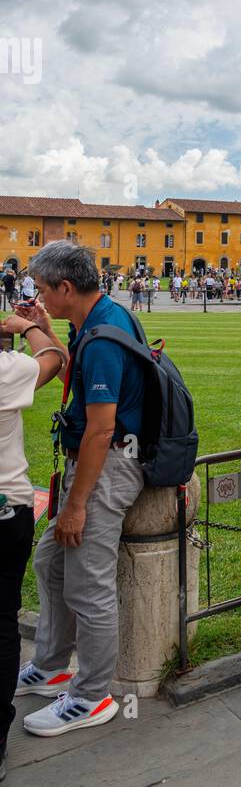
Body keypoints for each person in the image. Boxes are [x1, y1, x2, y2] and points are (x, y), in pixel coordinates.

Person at [15, 242, 148, 737]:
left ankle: (93, 696)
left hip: (108, 466)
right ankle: (51, 668)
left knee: (88, 585)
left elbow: (100, 430)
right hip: (100, 461)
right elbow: (78, 374)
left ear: (65, 288)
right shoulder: (97, 320)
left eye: (44, 289)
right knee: (51, 562)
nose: (40, 296)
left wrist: (75, 505)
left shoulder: (102, 337)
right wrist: (46, 329)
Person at [0, 304, 67, 781]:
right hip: (6, 513)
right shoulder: (6, 370)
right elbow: (54, 357)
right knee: (3, 623)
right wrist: (29, 326)